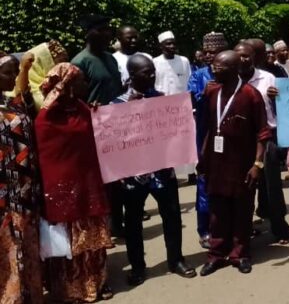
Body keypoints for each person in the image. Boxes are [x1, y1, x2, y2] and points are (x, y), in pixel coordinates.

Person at [114, 55, 196, 286]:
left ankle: (176, 260)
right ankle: (137, 267)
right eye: (145, 72)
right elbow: (111, 141)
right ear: (132, 75)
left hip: (161, 172)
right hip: (133, 176)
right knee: (132, 223)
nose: (151, 75)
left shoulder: (162, 101)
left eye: (152, 71)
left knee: (172, 216)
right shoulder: (116, 106)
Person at [36, 63, 114, 302]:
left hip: (87, 181)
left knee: (91, 242)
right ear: (67, 85)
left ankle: (96, 283)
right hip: (63, 188)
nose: (85, 84)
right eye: (80, 81)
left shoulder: (81, 107)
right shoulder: (46, 118)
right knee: (69, 244)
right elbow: (48, 155)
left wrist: (98, 114)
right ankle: (72, 290)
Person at [198, 51, 270, 276]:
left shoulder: (251, 94)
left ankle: (241, 253)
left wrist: (257, 164)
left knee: (242, 210)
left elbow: (263, 132)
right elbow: (211, 127)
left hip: (242, 164)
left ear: (233, 69)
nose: (214, 70)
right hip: (216, 163)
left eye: (219, 67)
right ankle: (217, 254)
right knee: (217, 211)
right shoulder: (212, 92)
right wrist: (203, 157)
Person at [71, 15, 125, 239]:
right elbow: (74, 99)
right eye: (103, 30)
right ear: (91, 33)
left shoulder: (110, 59)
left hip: (117, 125)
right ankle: (103, 224)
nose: (108, 35)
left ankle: (118, 223)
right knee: (101, 180)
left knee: (119, 178)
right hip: (94, 129)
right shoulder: (79, 62)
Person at [236, 42, 289, 244]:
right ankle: (244, 229)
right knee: (243, 186)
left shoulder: (267, 78)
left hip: (267, 137)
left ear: (254, 58)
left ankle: (280, 227)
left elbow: (284, 107)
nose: (243, 59)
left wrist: (278, 98)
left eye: (247, 55)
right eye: (238, 55)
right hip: (240, 141)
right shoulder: (230, 80)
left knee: (271, 186)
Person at [0, 53, 43, 304]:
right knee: (7, 254)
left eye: (15, 71)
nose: (13, 76)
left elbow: (24, 93)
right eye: (8, 71)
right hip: (4, 197)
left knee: (25, 251)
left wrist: (25, 68)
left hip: (25, 193)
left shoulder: (12, 105)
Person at [188, 32, 228, 249]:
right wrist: (207, 92)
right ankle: (205, 230)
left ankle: (228, 226)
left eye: (216, 52)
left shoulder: (233, 74)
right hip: (205, 137)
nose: (211, 56)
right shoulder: (197, 76)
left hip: (229, 138)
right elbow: (190, 99)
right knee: (204, 184)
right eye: (208, 52)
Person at [24, 40, 69, 110]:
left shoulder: (57, 81)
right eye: (56, 63)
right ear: (43, 63)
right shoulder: (25, 88)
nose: (60, 68)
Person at [153, 31, 191, 96]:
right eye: (168, 44)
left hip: (181, 100)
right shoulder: (154, 62)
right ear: (161, 46)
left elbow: (189, 81)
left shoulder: (184, 61)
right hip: (161, 100)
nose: (172, 46)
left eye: (173, 43)